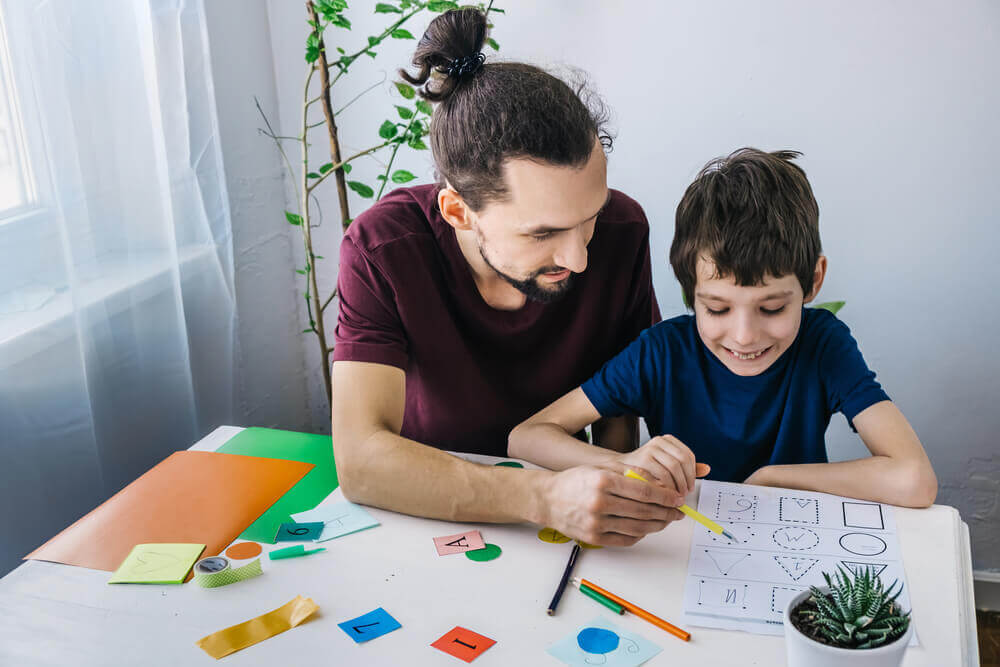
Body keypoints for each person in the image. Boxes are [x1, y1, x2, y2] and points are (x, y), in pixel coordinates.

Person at [331, 8, 683, 547]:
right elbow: (360, 462)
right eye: (542, 233)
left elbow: (620, 407)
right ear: (457, 212)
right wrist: (541, 498)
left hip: (572, 523)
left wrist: (615, 496)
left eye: (589, 216)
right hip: (427, 513)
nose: (580, 257)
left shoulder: (623, 229)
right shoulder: (382, 249)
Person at [509, 148, 938, 508]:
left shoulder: (824, 345)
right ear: (689, 292)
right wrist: (627, 465)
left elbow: (914, 479)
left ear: (813, 281)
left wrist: (774, 478)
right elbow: (527, 438)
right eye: (716, 309)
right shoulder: (661, 353)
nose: (744, 335)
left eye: (771, 308)